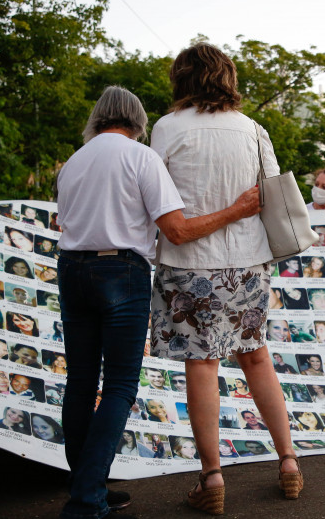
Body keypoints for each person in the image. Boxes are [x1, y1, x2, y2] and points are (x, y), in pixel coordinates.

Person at [55, 84, 262, 519]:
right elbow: (178, 230)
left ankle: (85, 483)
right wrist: (237, 211)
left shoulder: (74, 162)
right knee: (118, 385)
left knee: (80, 381)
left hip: (72, 269)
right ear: (138, 121)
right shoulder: (140, 157)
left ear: (97, 118)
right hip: (121, 272)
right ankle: (86, 496)